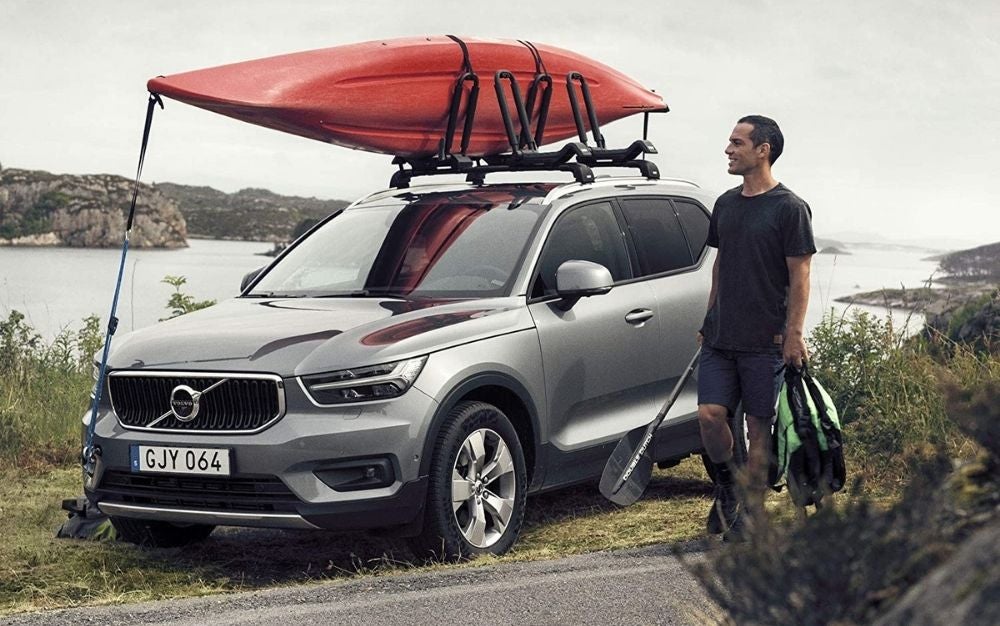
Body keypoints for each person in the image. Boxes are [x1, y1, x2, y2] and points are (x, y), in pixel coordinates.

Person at [697, 115, 816, 541]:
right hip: (720, 337)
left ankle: (751, 511)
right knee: (710, 417)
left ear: (763, 150)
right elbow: (721, 265)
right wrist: (709, 317)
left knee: (758, 428)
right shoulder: (725, 204)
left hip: (766, 340)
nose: (728, 150)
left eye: (737, 143)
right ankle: (728, 485)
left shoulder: (790, 208)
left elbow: (801, 275)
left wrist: (794, 333)